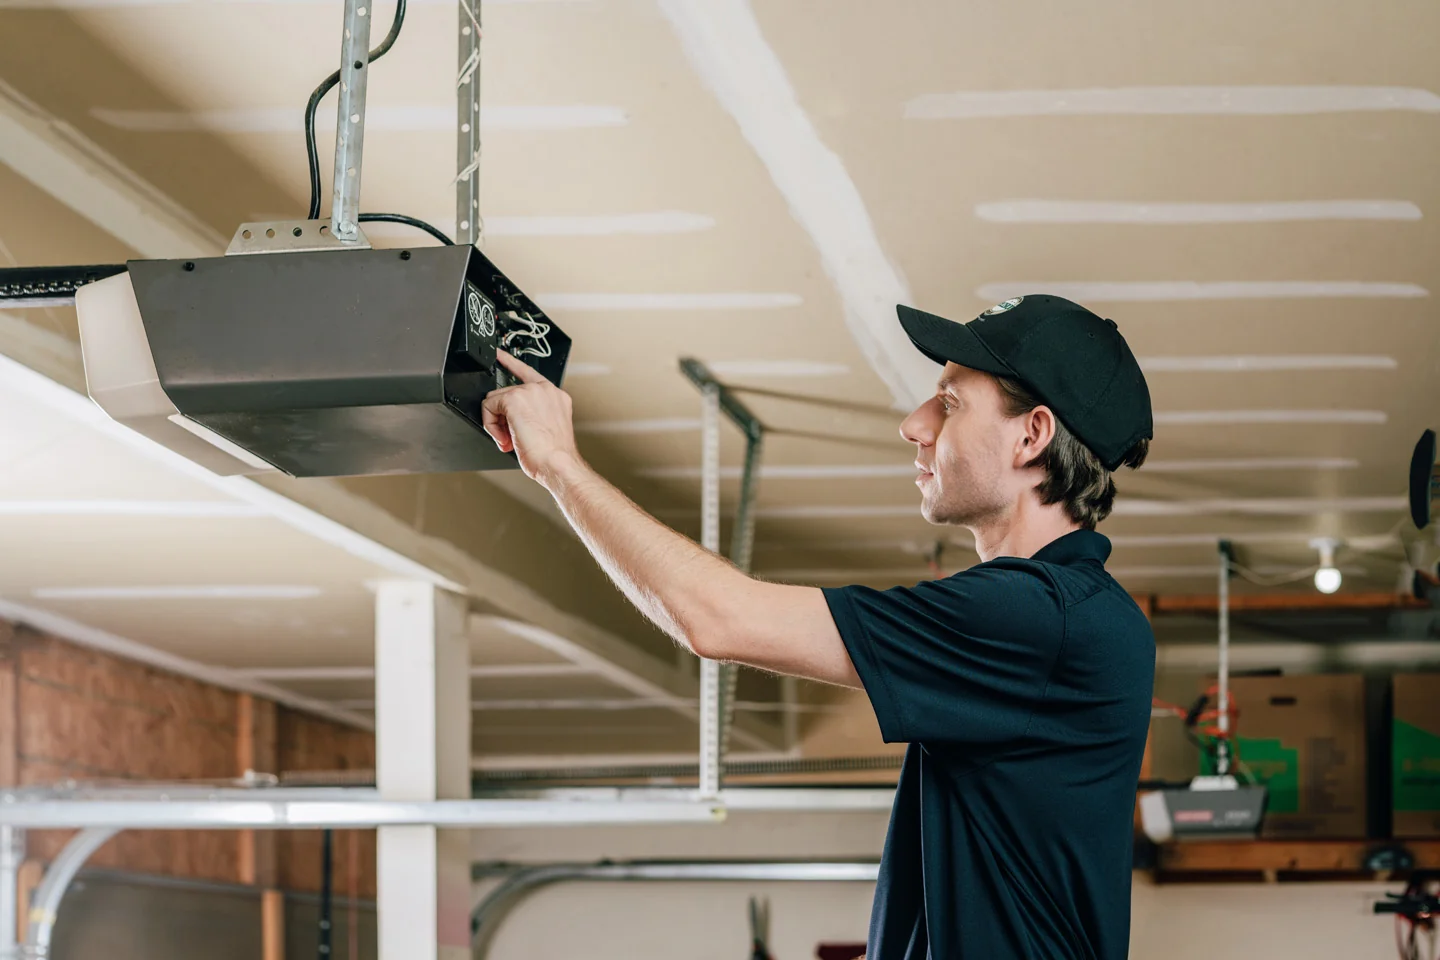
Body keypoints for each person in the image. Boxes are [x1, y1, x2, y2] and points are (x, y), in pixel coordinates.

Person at [481, 294, 1157, 960]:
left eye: (950, 402)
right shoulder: (1059, 616)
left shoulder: (1039, 617)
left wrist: (559, 466)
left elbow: (718, 619)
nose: (915, 424)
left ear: (1032, 435)